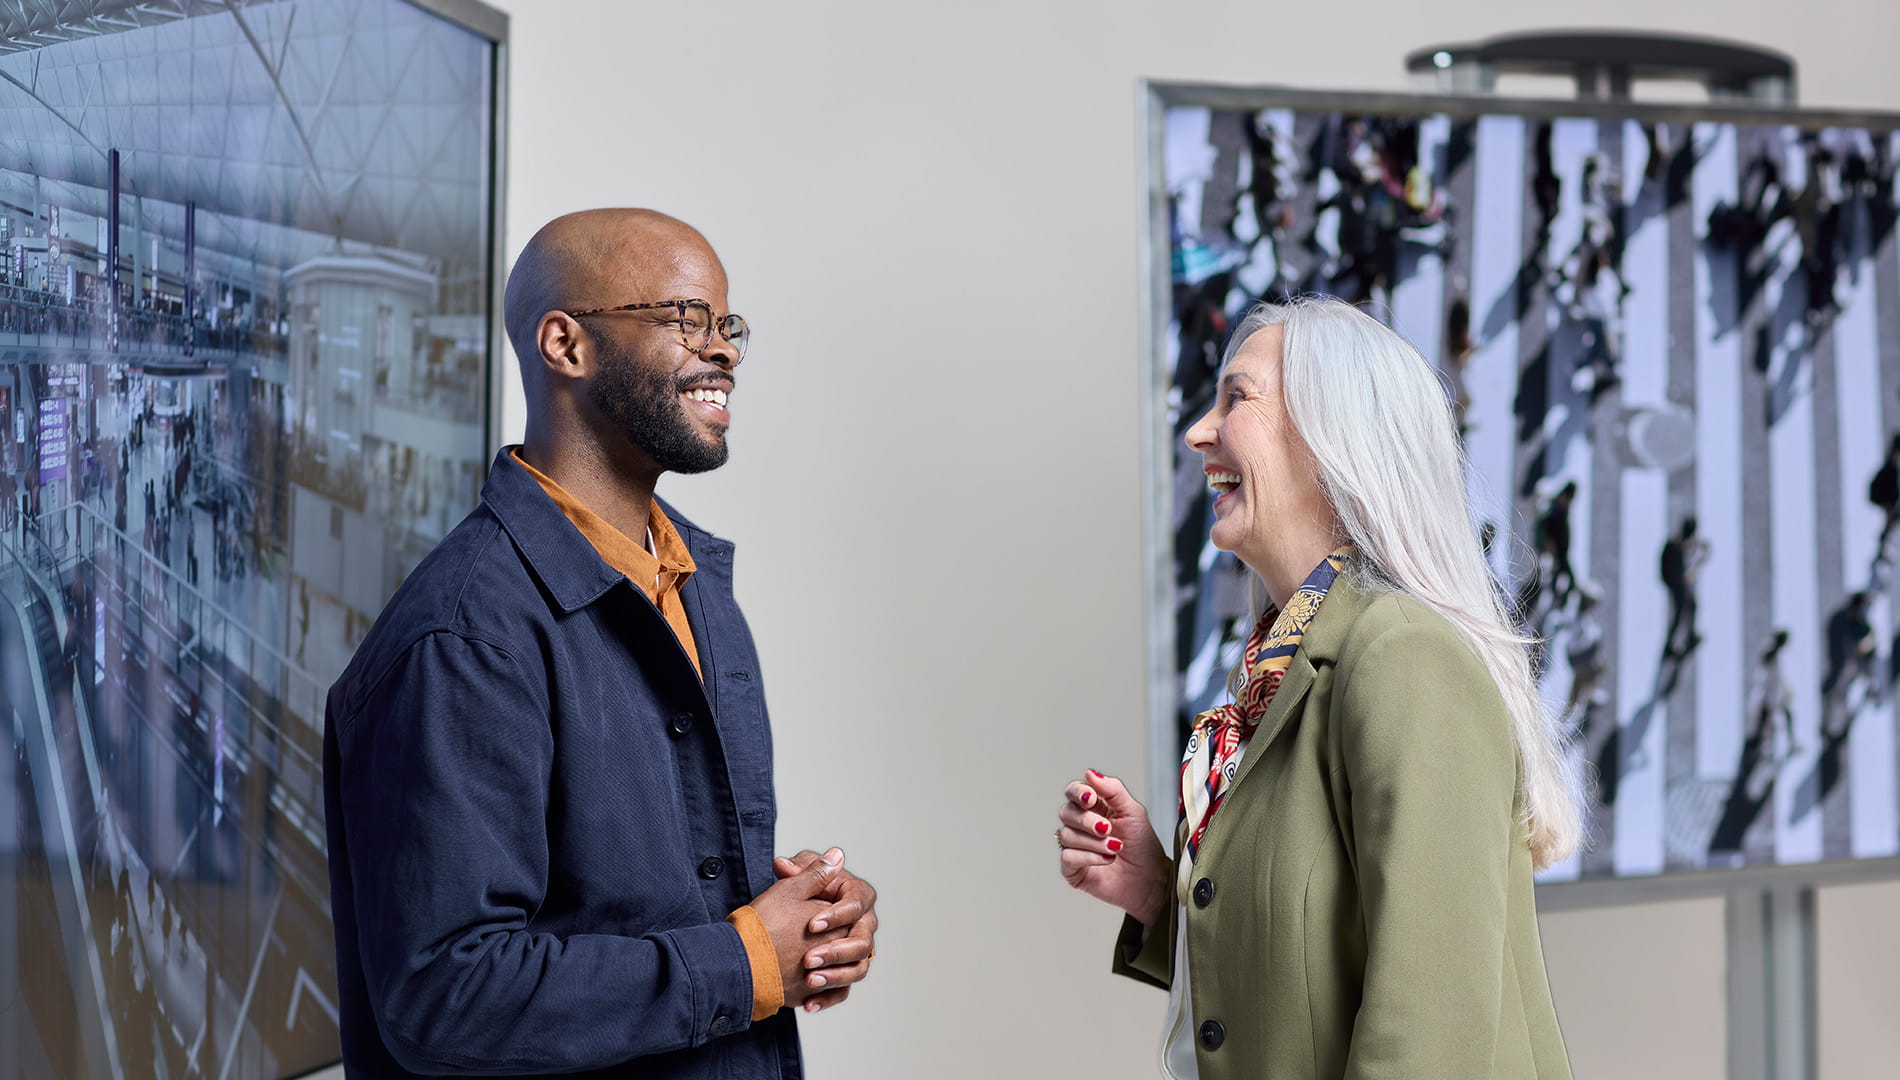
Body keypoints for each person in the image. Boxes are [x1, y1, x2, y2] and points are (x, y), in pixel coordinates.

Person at [323, 209, 878, 1078]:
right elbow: (444, 995)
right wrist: (745, 960)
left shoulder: (696, 590)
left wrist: (798, 926)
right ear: (564, 344)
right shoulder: (463, 638)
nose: (725, 349)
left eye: (728, 325)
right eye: (686, 319)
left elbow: (666, 907)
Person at [1056, 297, 1577, 1078]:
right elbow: (1304, 976)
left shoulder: (1402, 657)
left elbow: (1429, 1035)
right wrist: (1163, 895)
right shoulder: (1286, 669)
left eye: (1237, 397)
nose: (1201, 432)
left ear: (1334, 437)